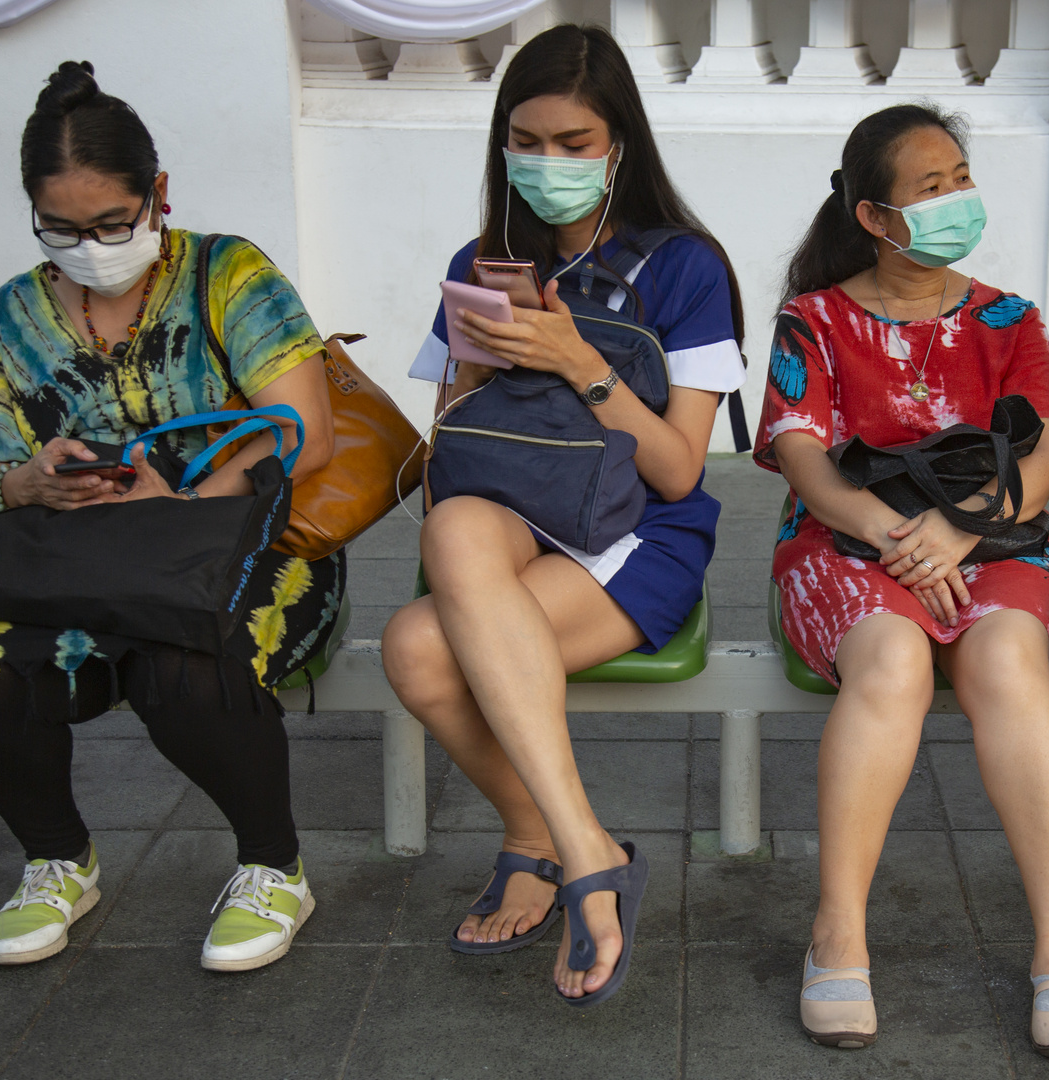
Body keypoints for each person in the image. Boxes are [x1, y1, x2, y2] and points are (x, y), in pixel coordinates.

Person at [0, 62, 342, 972]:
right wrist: (29, 483)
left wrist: (189, 494)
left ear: (157, 195)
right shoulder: (16, 311)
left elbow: (305, 436)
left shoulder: (225, 273)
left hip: (239, 545)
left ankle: (273, 866)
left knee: (185, 666)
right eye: (62, 229)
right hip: (75, 561)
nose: (89, 245)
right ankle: (56, 858)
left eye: (111, 224)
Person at [380, 24, 745, 1007]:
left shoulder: (686, 269)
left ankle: (546, 847)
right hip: (513, 508)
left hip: (636, 527)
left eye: (574, 143)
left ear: (620, 143)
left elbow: (676, 470)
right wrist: (481, 368)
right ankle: (575, 843)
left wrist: (580, 365)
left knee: (420, 650)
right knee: (451, 530)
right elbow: (447, 446)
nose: (547, 163)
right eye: (527, 141)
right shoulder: (481, 256)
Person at [756, 104, 1049, 1059]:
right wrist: (893, 537)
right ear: (873, 216)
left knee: (1006, 662)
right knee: (892, 660)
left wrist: (955, 530)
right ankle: (837, 932)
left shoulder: (1009, 319)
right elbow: (801, 457)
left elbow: (1046, 459)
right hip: (845, 540)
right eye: (931, 185)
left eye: (960, 176)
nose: (956, 198)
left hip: (991, 540)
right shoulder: (814, 318)